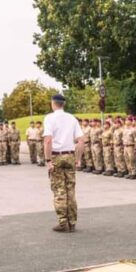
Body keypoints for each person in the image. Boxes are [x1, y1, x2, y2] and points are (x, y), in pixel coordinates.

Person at [43, 94, 85, 232]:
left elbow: (48, 140)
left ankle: (63, 223)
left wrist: (48, 160)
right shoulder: (71, 118)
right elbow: (81, 140)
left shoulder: (50, 118)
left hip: (57, 156)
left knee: (59, 190)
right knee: (70, 190)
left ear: (53, 103)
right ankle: (72, 222)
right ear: (64, 104)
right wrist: (78, 158)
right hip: (70, 155)